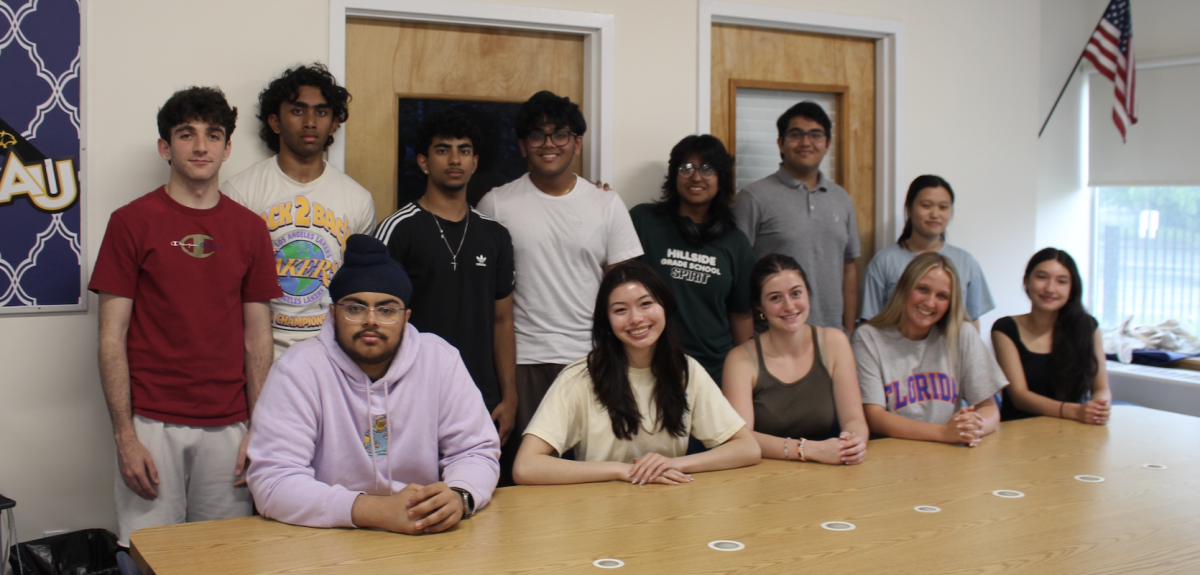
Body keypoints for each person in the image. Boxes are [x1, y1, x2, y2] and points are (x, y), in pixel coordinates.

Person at [89, 87, 281, 547]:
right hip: (152, 425)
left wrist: (261, 429)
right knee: (150, 555)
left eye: (213, 136)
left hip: (230, 426)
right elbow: (110, 338)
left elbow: (258, 339)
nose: (200, 147)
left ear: (227, 147)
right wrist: (125, 435)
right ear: (165, 147)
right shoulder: (131, 222)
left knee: (223, 557)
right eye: (186, 135)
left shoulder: (251, 230)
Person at [247, 234, 500, 535]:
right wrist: (374, 510)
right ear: (332, 314)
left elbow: (476, 451)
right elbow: (273, 481)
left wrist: (460, 495)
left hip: (424, 532)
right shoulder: (299, 368)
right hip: (324, 536)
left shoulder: (439, 360)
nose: (371, 320)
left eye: (386, 310)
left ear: (406, 318)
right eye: (355, 308)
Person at [476, 91, 643, 462]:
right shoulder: (496, 204)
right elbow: (486, 297)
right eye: (537, 135)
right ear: (523, 145)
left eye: (560, 134)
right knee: (528, 475)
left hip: (593, 360)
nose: (548, 144)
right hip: (524, 364)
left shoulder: (606, 204)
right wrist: (505, 388)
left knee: (595, 475)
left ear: (577, 143)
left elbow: (626, 294)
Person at [512, 261, 760, 485]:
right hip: (598, 509)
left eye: (646, 304)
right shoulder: (579, 377)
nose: (636, 319)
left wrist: (674, 464)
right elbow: (526, 466)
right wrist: (623, 471)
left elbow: (747, 448)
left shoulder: (686, 370)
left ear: (664, 306)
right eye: (620, 310)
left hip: (670, 507)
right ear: (606, 321)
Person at [374, 109, 518, 476]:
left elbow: (503, 320)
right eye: (443, 150)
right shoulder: (398, 230)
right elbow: (376, 322)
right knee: (414, 499)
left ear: (475, 162)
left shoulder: (496, 236)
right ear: (423, 161)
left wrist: (510, 395)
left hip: (481, 397)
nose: (455, 159)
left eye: (464, 150)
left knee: (481, 503)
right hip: (411, 396)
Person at [224, 63, 376, 358]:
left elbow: (359, 288)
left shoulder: (358, 199)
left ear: (334, 124)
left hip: (332, 356)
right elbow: (226, 287)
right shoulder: (240, 192)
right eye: (297, 110)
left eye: (321, 112)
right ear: (275, 122)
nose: (310, 121)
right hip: (259, 355)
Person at [630, 134, 755, 385]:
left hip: (715, 373)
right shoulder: (643, 221)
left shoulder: (735, 242)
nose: (696, 177)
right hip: (652, 369)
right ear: (673, 174)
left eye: (707, 169)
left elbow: (741, 315)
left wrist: (747, 375)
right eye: (686, 168)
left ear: (721, 178)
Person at [722, 254, 868, 465]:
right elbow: (742, 438)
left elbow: (854, 419)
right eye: (775, 298)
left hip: (827, 465)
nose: (789, 306)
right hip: (761, 472)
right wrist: (808, 450)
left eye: (796, 293)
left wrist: (854, 445)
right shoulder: (740, 360)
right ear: (760, 307)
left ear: (809, 294)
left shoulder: (835, 343)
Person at [852, 253, 1007, 447]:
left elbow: (990, 409)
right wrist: (943, 433)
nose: (930, 303)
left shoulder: (962, 333)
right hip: (893, 453)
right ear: (904, 289)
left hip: (949, 452)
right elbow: (874, 417)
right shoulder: (868, 337)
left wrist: (971, 428)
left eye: (942, 296)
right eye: (923, 289)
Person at [733, 101, 860, 334]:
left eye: (815, 135)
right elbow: (737, 272)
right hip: (772, 337)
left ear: (828, 144)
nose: (806, 142)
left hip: (831, 337)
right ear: (780, 143)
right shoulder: (753, 198)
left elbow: (849, 267)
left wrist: (849, 332)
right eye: (796, 134)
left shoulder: (842, 199)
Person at [992, 248, 1111, 423]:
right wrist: (1075, 411)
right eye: (1041, 277)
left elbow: (1101, 388)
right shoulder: (1005, 328)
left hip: (1075, 429)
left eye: (1061, 281)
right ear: (1027, 281)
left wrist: (1099, 407)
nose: (1050, 288)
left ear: (1072, 288)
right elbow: (1020, 396)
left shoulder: (1088, 327)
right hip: (1019, 432)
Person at [861, 175, 993, 326]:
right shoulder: (884, 261)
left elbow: (972, 320)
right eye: (926, 205)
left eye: (943, 207)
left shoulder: (966, 262)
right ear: (909, 208)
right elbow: (870, 321)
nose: (935, 214)